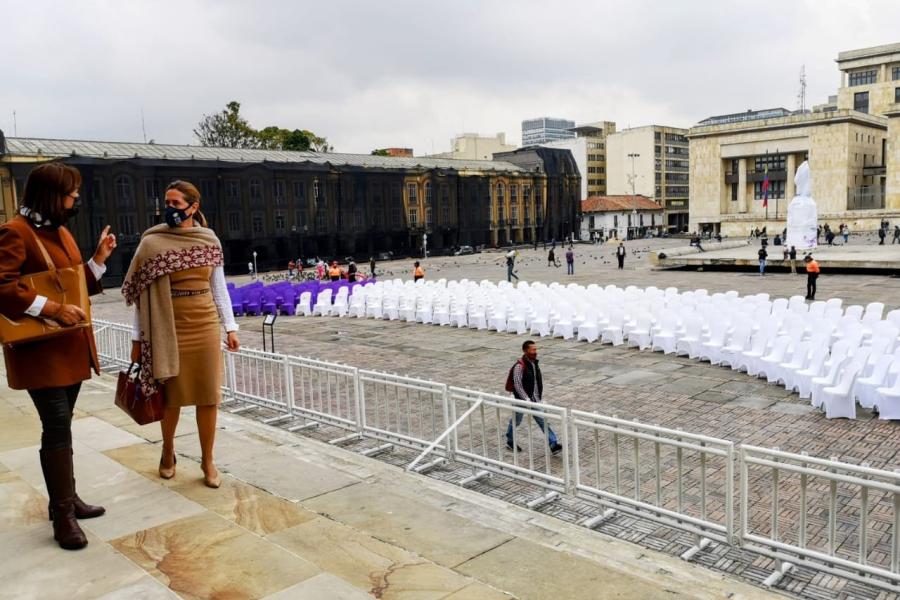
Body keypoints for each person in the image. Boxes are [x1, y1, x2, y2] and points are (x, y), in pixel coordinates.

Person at [0, 162, 117, 550]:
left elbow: (70, 283)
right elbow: (2, 287)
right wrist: (51, 309)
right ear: (53, 195)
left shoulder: (60, 231)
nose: (76, 199)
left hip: (69, 345)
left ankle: (66, 499)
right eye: (71, 193)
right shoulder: (14, 232)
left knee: (63, 425)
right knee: (56, 424)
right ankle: (63, 514)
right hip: (41, 350)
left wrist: (98, 259)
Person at [123, 180, 240, 491]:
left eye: (176, 203)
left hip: (203, 322)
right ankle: (168, 451)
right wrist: (137, 340)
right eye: (167, 202)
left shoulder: (209, 240)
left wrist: (230, 327)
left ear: (193, 206)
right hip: (167, 325)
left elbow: (219, 287)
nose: (169, 209)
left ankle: (208, 459)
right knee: (170, 396)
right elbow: (141, 297)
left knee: (208, 395)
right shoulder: (152, 242)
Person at [505, 340, 562, 454]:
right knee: (516, 421)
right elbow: (518, 384)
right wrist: (526, 399)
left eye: (536, 349)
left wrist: (536, 398)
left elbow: (536, 382)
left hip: (534, 399)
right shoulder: (519, 366)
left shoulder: (534, 364)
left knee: (543, 421)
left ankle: (553, 444)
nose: (535, 352)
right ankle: (510, 441)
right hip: (521, 400)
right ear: (525, 350)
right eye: (533, 349)